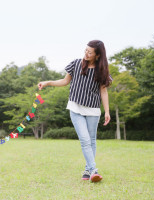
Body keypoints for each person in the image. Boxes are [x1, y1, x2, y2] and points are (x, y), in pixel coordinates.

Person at [38, 40, 112, 183]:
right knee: (85, 140)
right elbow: (65, 81)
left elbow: (103, 91)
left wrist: (107, 111)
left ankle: (87, 170)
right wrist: (48, 82)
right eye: (85, 50)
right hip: (75, 107)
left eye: (90, 52)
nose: (86, 53)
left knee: (91, 141)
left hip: (93, 109)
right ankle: (93, 171)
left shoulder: (102, 70)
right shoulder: (76, 63)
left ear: (98, 55)